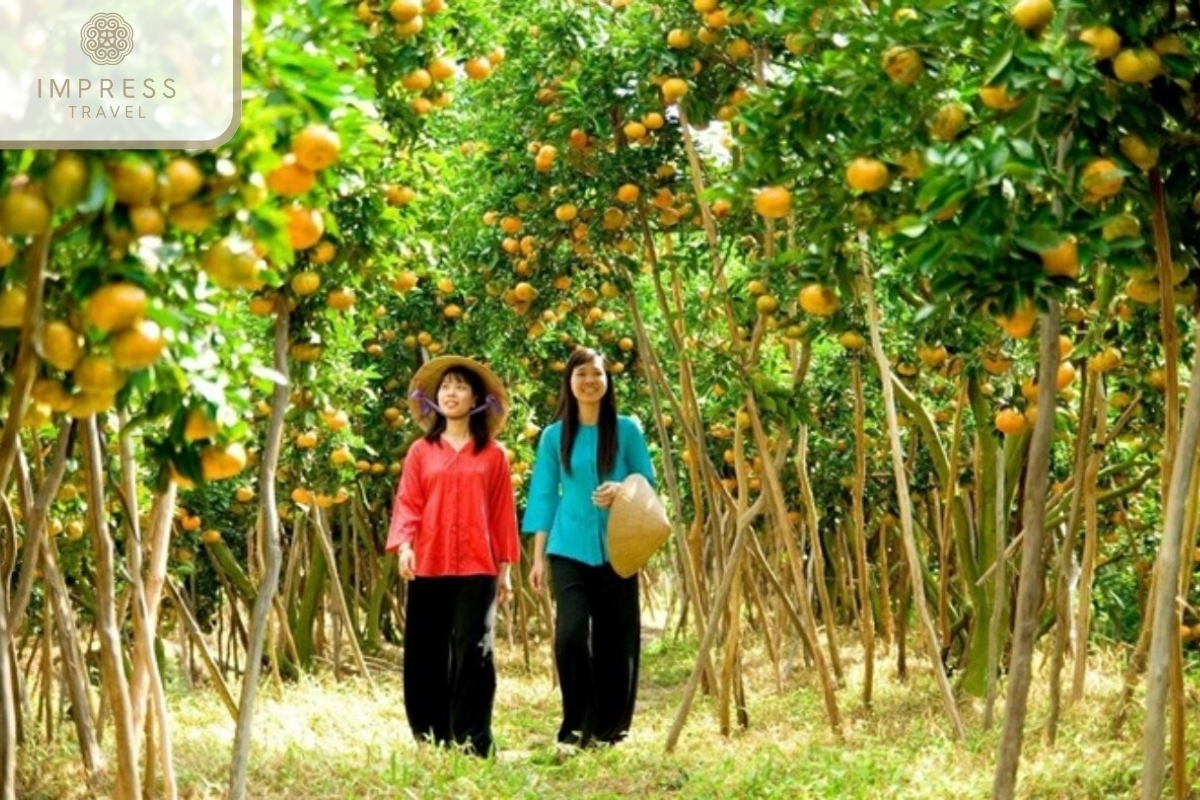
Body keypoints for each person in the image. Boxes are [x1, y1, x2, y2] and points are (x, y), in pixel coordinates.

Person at [522, 346, 656, 748]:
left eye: (597, 374)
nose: (589, 381)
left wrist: (623, 489)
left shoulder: (628, 428)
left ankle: (610, 728)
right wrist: (538, 556)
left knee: (617, 637)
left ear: (608, 380)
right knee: (571, 633)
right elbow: (544, 494)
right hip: (569, 545)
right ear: (569, 382)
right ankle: (575, 723)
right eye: (581, 374)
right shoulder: (553, 435)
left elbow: (646, 479)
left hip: (621, 543)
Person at [386, 355, 519, 757]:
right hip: (429, 562)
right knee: (426, 650)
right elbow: (408, 502)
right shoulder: (420, 452)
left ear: (476, 398)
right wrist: (405, 546)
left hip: (478, 566)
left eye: (460, 386)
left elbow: (501, 513)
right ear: (435, 399)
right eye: (445, 387)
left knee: (475, 650)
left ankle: (474, 740)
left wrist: (506, 570)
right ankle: (431, 735)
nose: (451, 393)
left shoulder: (493, 455)